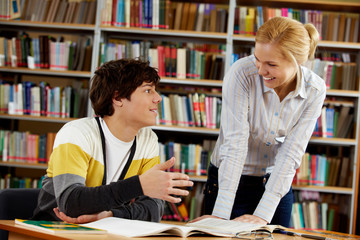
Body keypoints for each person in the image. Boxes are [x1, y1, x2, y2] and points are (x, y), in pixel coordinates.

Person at [193, 16, 326, 227]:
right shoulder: (242, 74)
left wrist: (264, 213)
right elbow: (235, 143)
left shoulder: (315, 90)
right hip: (229, 179)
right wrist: (220, 214)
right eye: (257, 59)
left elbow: (292, 151)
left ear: (297, 62)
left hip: (274, 183)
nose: (260, 70)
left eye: (271, 64)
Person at [32, 58, 193, 223]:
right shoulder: (77, 133)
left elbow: (154, 210)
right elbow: (71, 204)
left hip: (103, 231)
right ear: (118, 98)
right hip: (53, 230)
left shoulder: (147, 139)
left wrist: (111, 215)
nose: (158, 98)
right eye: (147, 90)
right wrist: (138, 185)